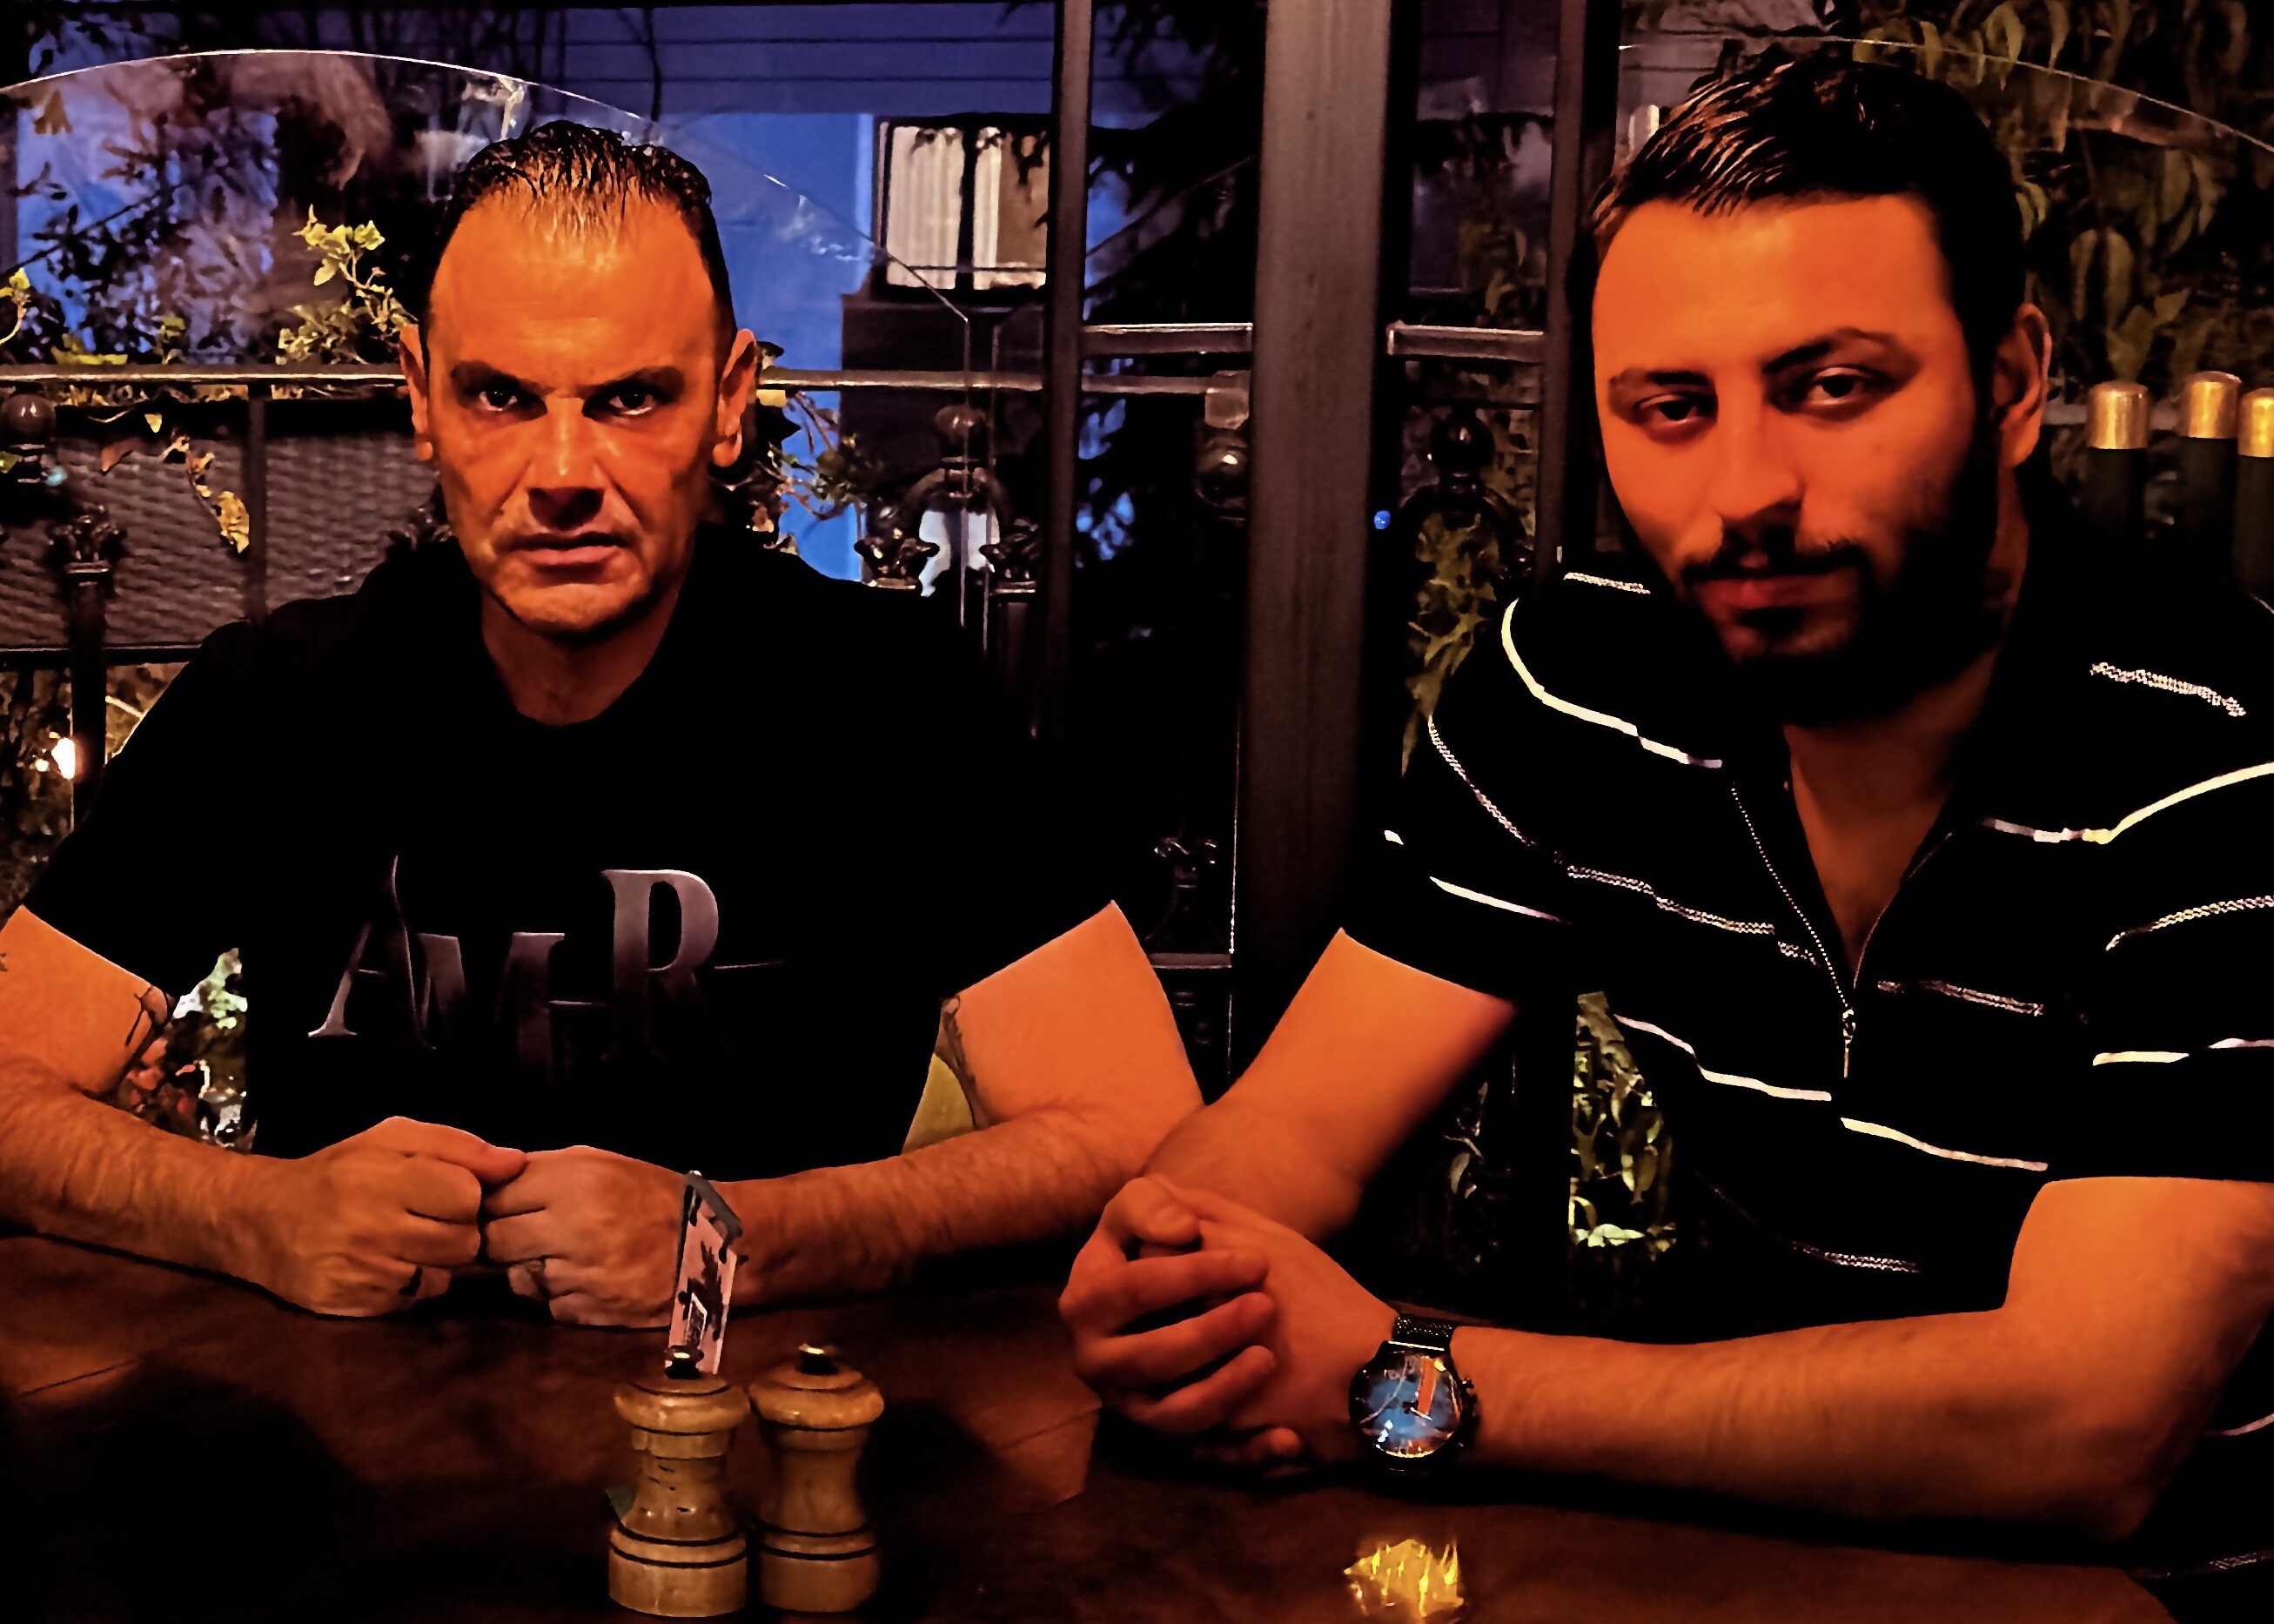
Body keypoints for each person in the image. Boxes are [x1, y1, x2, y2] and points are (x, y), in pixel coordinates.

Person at [1060, 53, 2274, 1596]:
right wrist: (1177, 1277)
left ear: (2013, 382)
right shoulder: (1584, 681)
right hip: (1740, 1568)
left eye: (1831, 387)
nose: (1745, 491)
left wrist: (1406, 1382)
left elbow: (2083, 1428)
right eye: (1671, 408)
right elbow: (1286, 1135)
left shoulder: (2218, 755)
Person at [0, 122, 1198, 1327]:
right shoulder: (279, 704)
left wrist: (737, 1242)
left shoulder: (886, 699)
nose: (564, 471)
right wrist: (250, 1216)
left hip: (770, 1421)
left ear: (727, 402)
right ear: (421, 398)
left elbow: (1135, 1128)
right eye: (501, 397)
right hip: (339, 1427)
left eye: (629, 399)